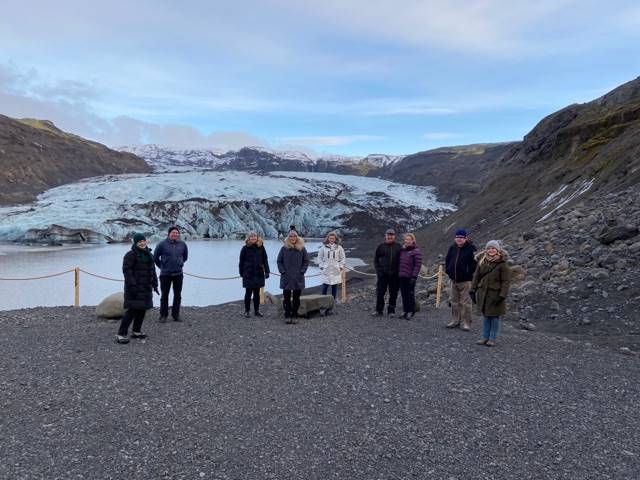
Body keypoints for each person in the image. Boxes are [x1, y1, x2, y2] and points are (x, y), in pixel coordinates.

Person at [116, 233, 159, 344]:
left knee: (142, 309)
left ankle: (136, 331)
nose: (142, 243)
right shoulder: (131, 255)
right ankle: (121, 334)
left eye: (143, 241)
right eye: (139, 241)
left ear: (146, 241)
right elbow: (127, 271)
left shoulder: (149, 254)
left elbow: (152, 271)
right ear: (135, 243)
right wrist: (132, 285)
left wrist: (155, 283)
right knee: (132, 310)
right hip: (134, 288)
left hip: (146, 287)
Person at [470, 240, 511, 347]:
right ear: (486, 250)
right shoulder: (482, 262)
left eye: (493, 248)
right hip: (483, 293)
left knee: (495, 318)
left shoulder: (502, 264)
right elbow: (476, 277)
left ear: (497, 250)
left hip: (495, 295)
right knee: (486, 316)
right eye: (489, 248)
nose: (491, 250)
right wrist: (472, 290)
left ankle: (492, 338)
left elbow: (506, 281)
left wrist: (502, 295)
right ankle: (484, 337)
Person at [153, 226, 188, 323]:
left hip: (178, 274)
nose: (175, 234)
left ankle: (175, 315)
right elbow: (155, 258)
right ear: (169, 234)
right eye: (173, 233)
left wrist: (179, 264)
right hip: (165, 274)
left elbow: (185, 257)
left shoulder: (182, 244)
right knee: (164, 295)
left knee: (178, 295)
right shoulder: (162, 244)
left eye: (177, 233)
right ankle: (163, 315)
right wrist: (162, 266)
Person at [445, 228, 477, 331]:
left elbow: (474, 264)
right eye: (457, 237)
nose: (459, 239)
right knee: (454, 301)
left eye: (461, 237)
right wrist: (449, 271)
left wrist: (468, 273)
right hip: (453, 279)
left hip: (465, 281)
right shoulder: (452, 248)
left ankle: (466, 323)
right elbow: (448, 260)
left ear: (465, 238)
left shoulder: (471, 248)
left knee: (466, 303)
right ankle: (455, 320)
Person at [277, 229, 309, 324]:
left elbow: (306, 261)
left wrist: (302, 271)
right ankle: (287, 314)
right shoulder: (284, 248)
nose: (292, 238)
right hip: (286, 276)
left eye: (294, 236)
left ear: (297, 237)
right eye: (291, 236)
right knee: (286, 298)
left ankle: (295, 314)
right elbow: (279, 261)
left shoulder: (302, 248)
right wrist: (282, 271)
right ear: (288, 237)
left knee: (296, 298)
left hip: (298, 277)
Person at [239, 231, 270, 318]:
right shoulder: (244, 248)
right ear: (248, 238)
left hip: (258, 273)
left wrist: (267, 271)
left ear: (257, 237)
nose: (253, 238)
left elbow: (265, 260)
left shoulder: (261, 247)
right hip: (248, 273)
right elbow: (241, 262)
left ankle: (257, 310)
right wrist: (241, 272)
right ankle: (247, 311)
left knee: (257, 293)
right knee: (248, 293)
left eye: (254, 236)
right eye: (251, 236)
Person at [371, 228, 402, 317]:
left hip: (395, 275)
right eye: (388, 235)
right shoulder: (380, 247)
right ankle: (379, 310)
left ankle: (391, 311)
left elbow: (402, 260)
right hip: (383, 275)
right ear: (385, 236)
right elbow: (376, 260)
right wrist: (379, 271)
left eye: (391, 235)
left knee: (394, 293)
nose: (390, 237)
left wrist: (399, 272)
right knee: (380, 292)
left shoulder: (398, 247)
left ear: (394, 236)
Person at [318, 231, 346, 308]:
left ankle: (333, 301)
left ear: (335, 239)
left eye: (333, 238)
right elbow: (319, 258)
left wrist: (340, 266)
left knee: (334, 286)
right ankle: (322, 301)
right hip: (326, 269)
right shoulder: (323, 247)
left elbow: (343, 258)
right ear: (328, 238)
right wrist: (321, 266)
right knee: (325, 286)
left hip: (335, 269)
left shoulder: (339, 248)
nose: (331, 239)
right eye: (330, 238)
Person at [398, 233, 422, 319]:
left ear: (412, 240)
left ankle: (411, 311)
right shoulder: (402, 250)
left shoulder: (416, 251)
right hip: (402, 276)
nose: (407, 241)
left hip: (410, 277)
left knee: (410, 294)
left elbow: (418, 265)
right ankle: (405, 310)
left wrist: (414, 277)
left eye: (408, 239)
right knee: (404, 294)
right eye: (405, 239)